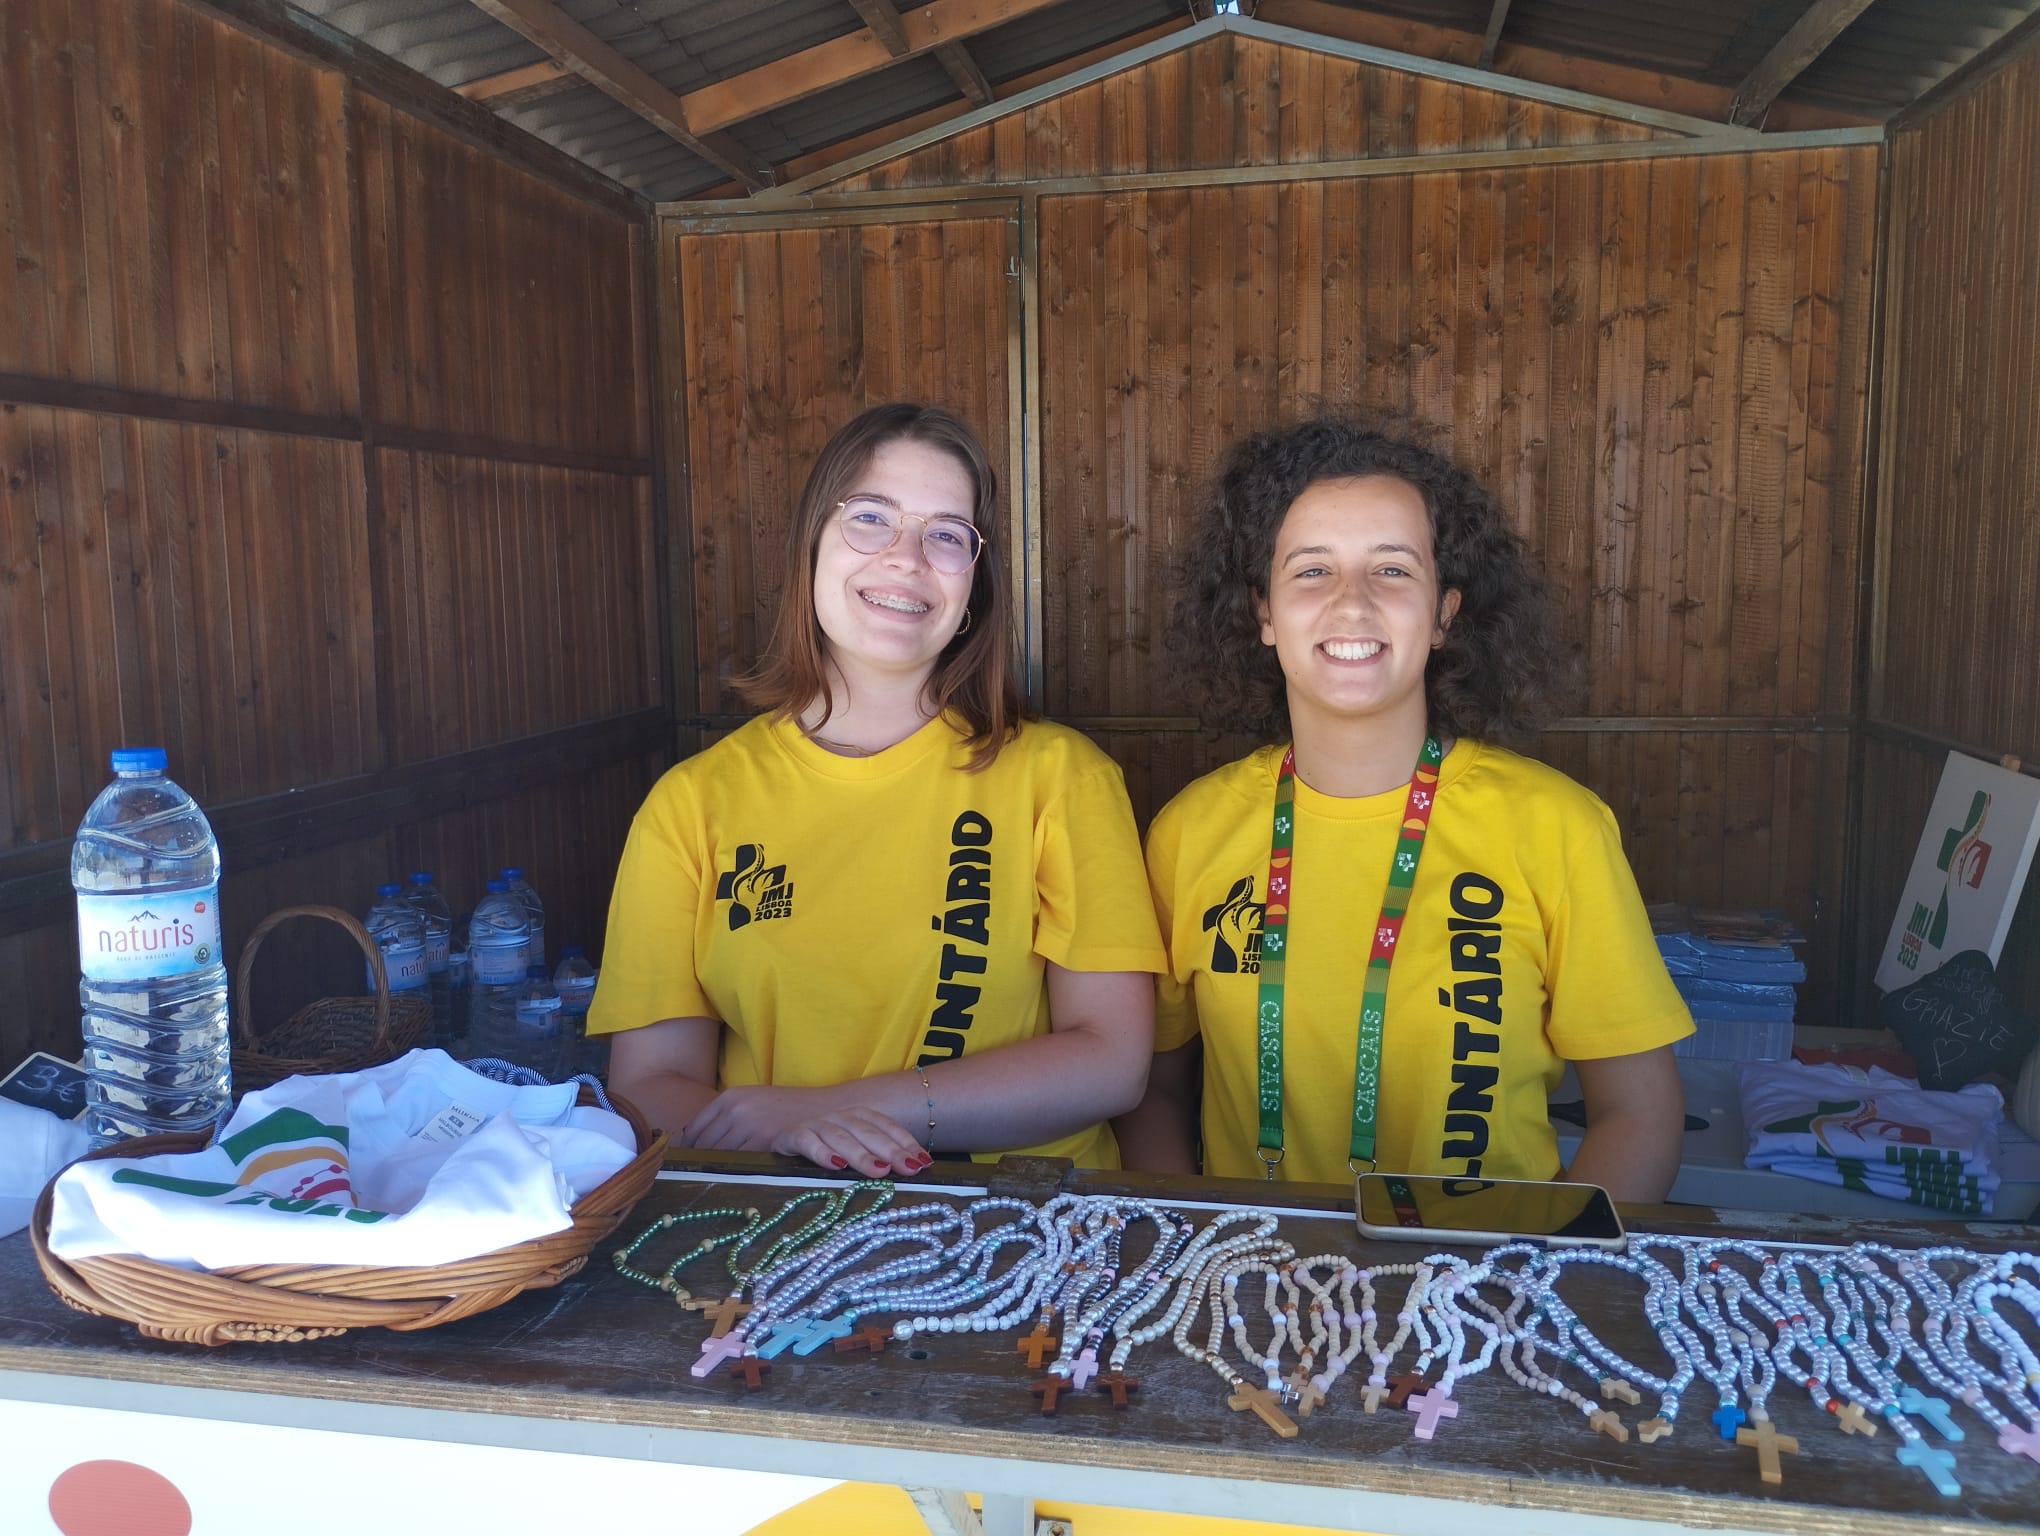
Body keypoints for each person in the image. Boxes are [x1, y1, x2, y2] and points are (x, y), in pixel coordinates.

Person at [1112, 413, 1691, 1200]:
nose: (1352, 604)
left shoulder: (1559, 829)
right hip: (1255, 1264)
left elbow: (1638, 1114)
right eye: (1312, 571)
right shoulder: (1190, 833)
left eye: (1391, 569)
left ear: (1444, 613)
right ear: (1265, 614)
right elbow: (1154, 1092)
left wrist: (1537, 1267)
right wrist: (1205, 1240)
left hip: (1489, 1267)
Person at [592, 403, 1164, 1178]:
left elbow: (1111, 1062)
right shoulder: (690, 803)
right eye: (870, 518)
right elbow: (649, 1084)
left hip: (1019, 1218)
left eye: (947, 535)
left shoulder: (1063, 779)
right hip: (777, 1217)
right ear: (812, 544)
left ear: (974, 583)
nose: (906, 558)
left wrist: (837, 1112)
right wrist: (792, 1134)